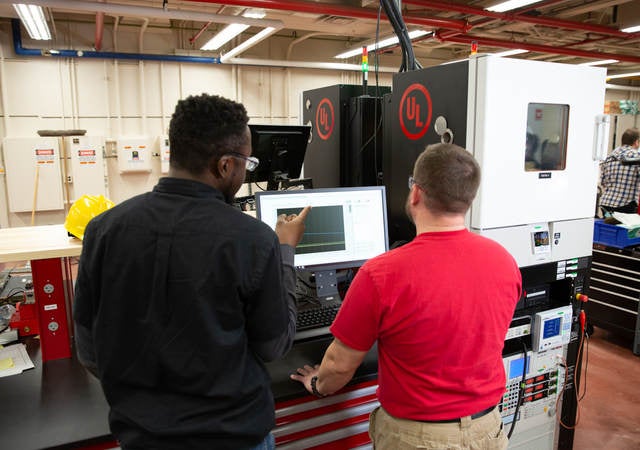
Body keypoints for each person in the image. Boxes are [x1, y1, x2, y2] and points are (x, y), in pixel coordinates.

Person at [73, 93, 310, 450]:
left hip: (142, 437)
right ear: (226, 165)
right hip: (233, 437)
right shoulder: (253, 239)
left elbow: (90, 351)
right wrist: (285, 251)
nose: (246, 170)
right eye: (247, 162)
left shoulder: (103, 229)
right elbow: (274, 344)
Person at [291, 143, 522, 449]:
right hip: (487, 429)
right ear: (469, 199)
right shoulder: (504, 260)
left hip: (418, 439)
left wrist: (317, 384)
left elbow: (339, 366)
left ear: (416, 193)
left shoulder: (381, 274)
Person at [600, 127, 640, 214]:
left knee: (608, 227)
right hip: (626, 205)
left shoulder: (609, 157)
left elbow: (602, 181)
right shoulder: (636, 156)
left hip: (606, 203)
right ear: (636, 142)